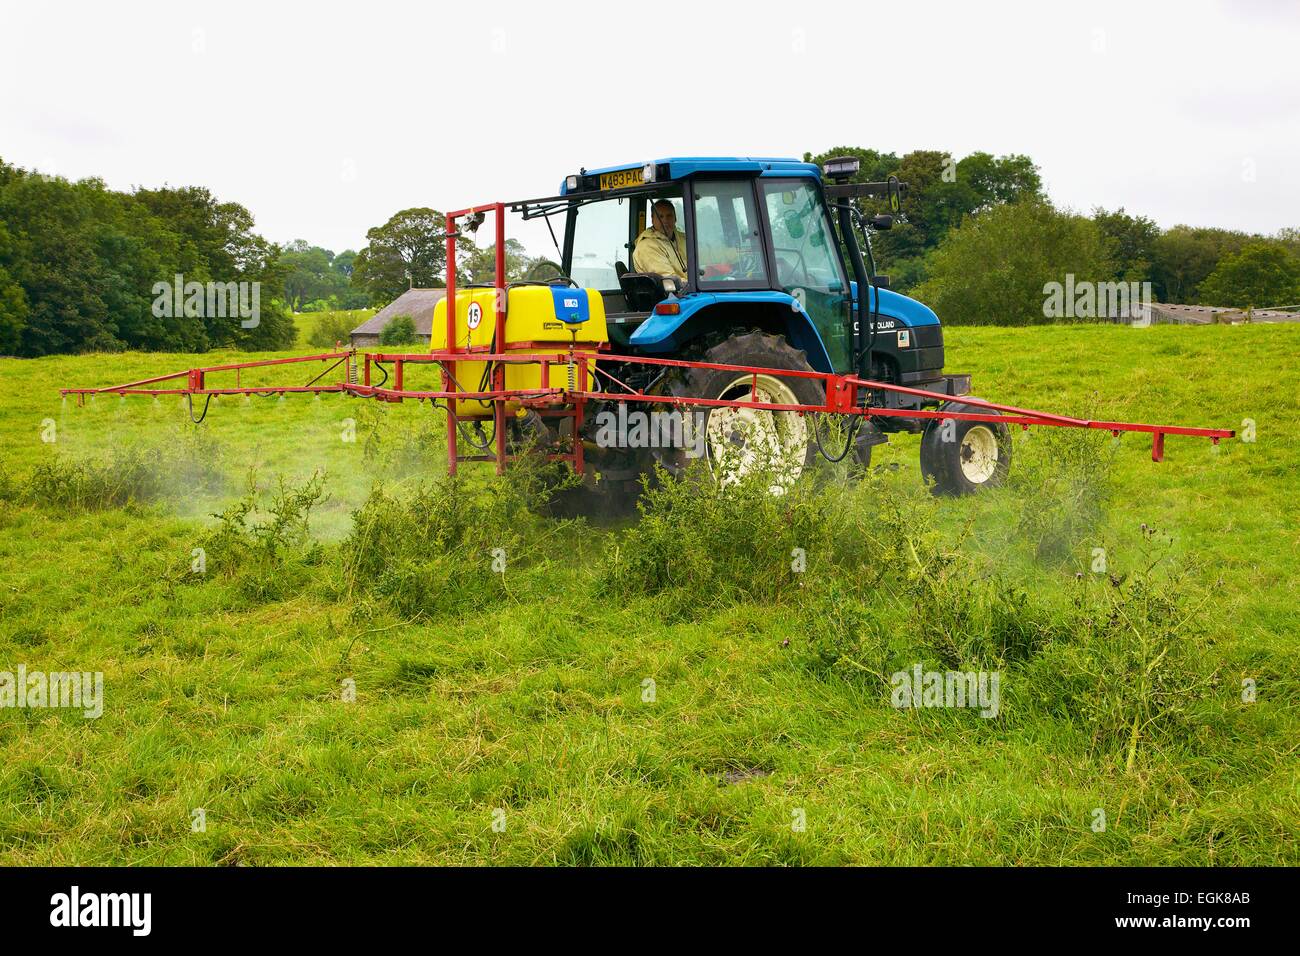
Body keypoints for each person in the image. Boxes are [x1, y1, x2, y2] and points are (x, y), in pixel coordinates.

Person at [632, 199, 688, 279]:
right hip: (671, 291)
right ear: (652, 219)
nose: (665, 220)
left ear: (675, 218)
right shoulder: (647, 247)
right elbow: (669, 280)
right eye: (660, 216)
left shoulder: (684, 239)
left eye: (669, 216)